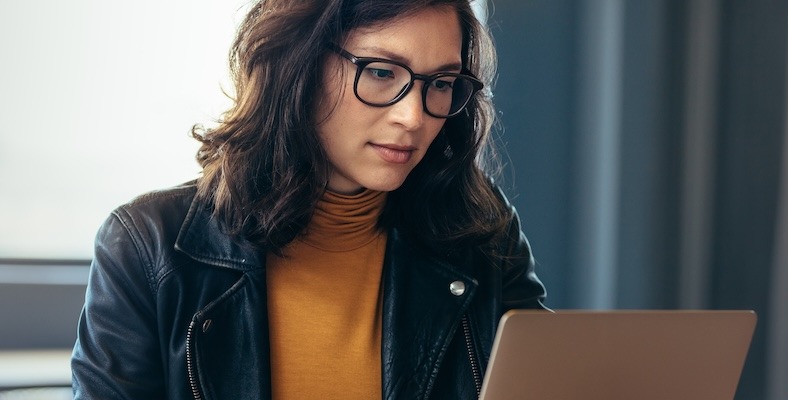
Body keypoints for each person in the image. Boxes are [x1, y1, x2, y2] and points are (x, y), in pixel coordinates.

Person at [69, 0, 546, 398]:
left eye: (441, 84)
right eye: (381, 72)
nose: (414, 116)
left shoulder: (480, 231)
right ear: (298, 66)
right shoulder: (147, 244)